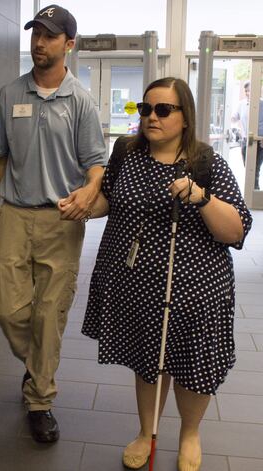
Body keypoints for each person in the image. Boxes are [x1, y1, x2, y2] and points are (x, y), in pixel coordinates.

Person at [78, 77, 252, 471]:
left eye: (163, 110)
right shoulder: (126, 152)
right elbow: (110, 198)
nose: (151, 117)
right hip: (137, 283)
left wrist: (201, 197)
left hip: (195, 287)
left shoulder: (207, 163)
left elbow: (236, 230)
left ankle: (189, 433)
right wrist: (86, 205)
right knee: (147, 359)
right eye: (145, 109)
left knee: (191, 364)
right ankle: (146, 430)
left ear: (185, 117)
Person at [0, 4, 107, 443]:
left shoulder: (82, 101)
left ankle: (40, 399)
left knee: (49, 316)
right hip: (14, 216)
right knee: (8, 308)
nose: (39, 42)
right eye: (36, 33)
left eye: (50, 36)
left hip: (61, 221)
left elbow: (96, 165)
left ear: (68, 45)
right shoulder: (9, 94)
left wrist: (91, 192)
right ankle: (37, 369)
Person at [231, 81, 250, 163]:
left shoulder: (261, 103)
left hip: (258, 141)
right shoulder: (242, 104)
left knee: (255, 169)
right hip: (245, 140)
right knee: (246, 166)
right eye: (246, 91)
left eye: (249, 90)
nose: (247, 93)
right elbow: (234, 118)